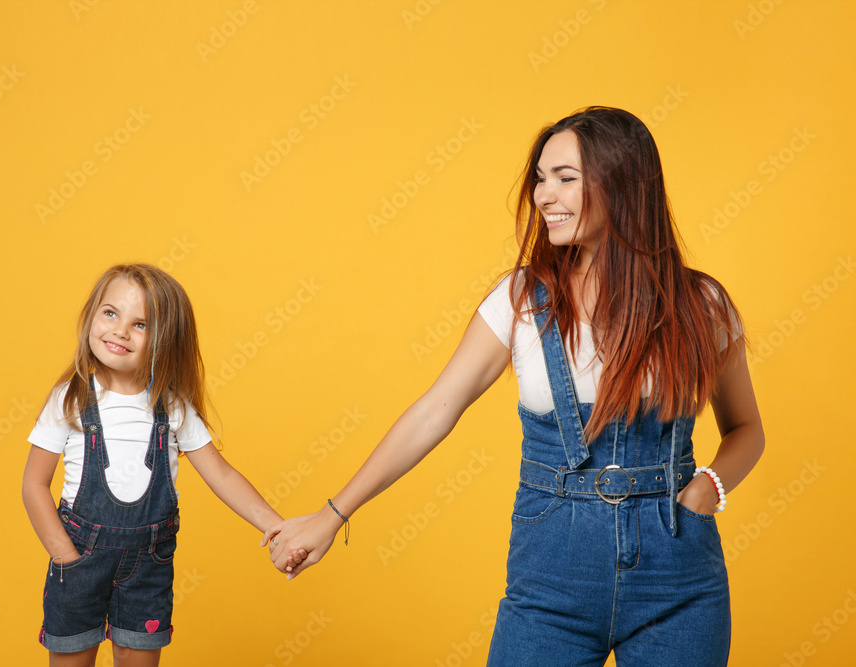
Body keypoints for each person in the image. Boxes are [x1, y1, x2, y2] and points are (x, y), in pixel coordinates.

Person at [262, 107, 764, 666]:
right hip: (552, 577)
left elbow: (747, 429)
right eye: (540, 179)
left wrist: (707, 488)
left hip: (679, 577)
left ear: (624, 184)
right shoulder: (522, 299)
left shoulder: (702, 305)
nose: (544, 195)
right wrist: (334, 514)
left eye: (566, 178)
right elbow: (434, 411)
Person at [22, 264, 304, 667]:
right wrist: (65, 557)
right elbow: (34, 484)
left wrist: (277, 528)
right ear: (91, 316)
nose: (120, 331)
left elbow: (221, 475)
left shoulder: (172, 406)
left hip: (147, 568)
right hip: (78, 561)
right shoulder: (69, 399)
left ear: (165, 340)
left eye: (140, 324)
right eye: (111, 313)